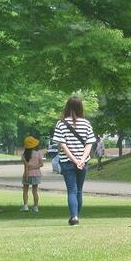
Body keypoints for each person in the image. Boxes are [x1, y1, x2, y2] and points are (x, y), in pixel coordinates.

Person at [51, 96, 96, 225]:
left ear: (67, 107)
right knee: (79, 190)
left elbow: (63, 145)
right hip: (83, 163)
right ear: (80, 107)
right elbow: (89, 144)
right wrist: (81, 160)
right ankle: (77, 216)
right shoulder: (86, 123)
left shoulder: (61, 123)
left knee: (72, 190)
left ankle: (74, 216)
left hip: (67, 162)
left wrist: (75, 160)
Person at [21, 136, 44, 213]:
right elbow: (41, 164)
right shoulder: (38, 153)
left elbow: (26, 167)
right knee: (35, 191)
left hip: (27, 174)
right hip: (36, 174)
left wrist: (26, 175)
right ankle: (35, 207)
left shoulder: (24, 155)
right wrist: (34, 167)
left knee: (25, 190)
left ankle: (25, 206)